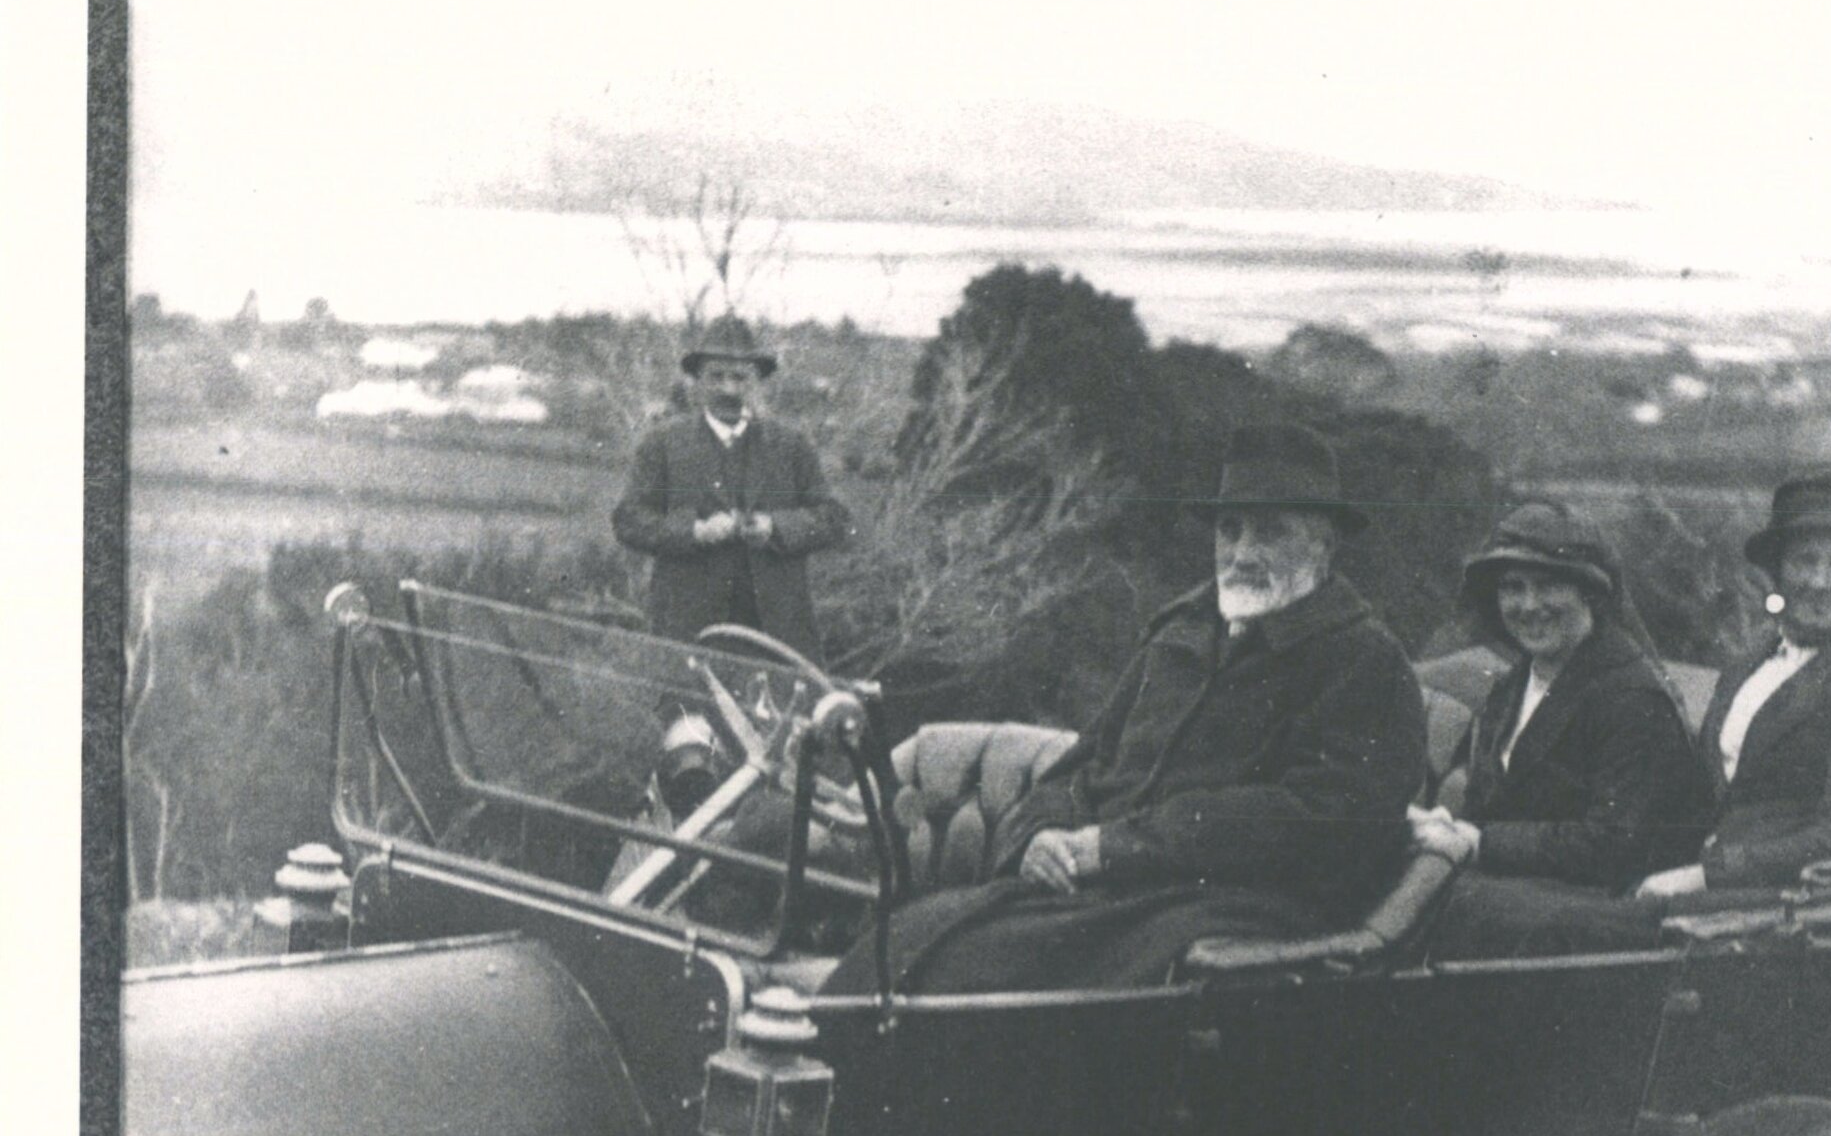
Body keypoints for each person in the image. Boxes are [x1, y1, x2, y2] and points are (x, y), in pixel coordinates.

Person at [834, 422, 1428, 995]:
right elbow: (1083, 766)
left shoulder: (1364, 662)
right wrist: (1039, 837)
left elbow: (1325, 821)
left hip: (1230, 911)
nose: (1242, 552)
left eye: (1268, 532)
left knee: (972, 976)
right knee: (905, 939)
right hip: (1107, 891)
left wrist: (1111, 849)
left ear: (1323, 544)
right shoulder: (1182, 633)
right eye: (1230, 528)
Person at [1636, 466, 1831, 904]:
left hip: (1791, 906)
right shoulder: (1747, 667)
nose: (1820, 582)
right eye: (1805, 560)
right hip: (1704, 886)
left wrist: (1705, 876)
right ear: (1778, 573)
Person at [1407, 500, 1712, 892]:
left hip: (1602, 909)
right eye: (1513, 588)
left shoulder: (1631, 698)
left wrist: (1480, 842)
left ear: (1590, 594)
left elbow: (1614, 847)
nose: (1530, 605)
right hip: (1520, 890)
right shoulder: (1510, 688)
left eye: (1549, 586)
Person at [612, 316, 852, 663]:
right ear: (696, 381)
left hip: (777, 635)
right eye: (716, 377)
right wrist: (694, 531)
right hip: (688, 631)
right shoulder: (662, 444)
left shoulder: (791, 445)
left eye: (740, 377)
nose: (728, 389)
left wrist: (776, 527)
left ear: (757, 381)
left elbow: (834, 518)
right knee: (690, 716)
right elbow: (628, 520)